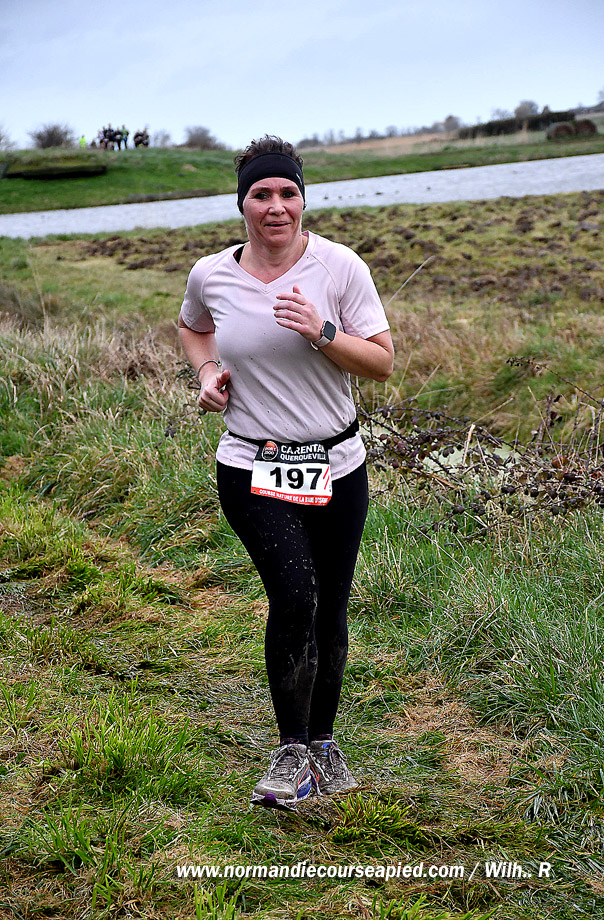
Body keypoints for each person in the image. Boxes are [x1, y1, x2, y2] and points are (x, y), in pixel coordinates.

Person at [178, 135, 393, 808]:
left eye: (288, 193)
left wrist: (322, 333)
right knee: (294, 597)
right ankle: (290, 751)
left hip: (337, 464)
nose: (276, 206)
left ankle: (324, 745)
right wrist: (208, 372)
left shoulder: (339, 267)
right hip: (253, 462)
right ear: (241, 203)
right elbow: (192, 328)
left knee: (331, 604)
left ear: (303, 199)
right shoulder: (211, 273)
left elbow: (382, 363)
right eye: (261, 194)